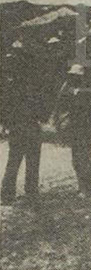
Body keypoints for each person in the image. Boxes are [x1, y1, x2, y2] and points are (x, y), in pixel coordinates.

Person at [0, 44, 46, 207]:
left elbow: (4, 106)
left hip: (18, 124)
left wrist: (5, 123)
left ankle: (7, 193)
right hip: (29, 124)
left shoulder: (9, 85)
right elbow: (41, 104)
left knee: (15, 158)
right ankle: (30, 191)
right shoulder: (31, 84)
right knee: (31, 159)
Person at [66, 64, 91, 197]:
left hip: (86, 131)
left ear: (82, 78)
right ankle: (81, 187)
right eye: (72, 76)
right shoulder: (70, 92)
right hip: (75, 131)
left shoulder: (89, 93)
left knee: (86, 160)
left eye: (77, 77)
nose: (74, 79)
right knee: (76, 160)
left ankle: (88, 189)